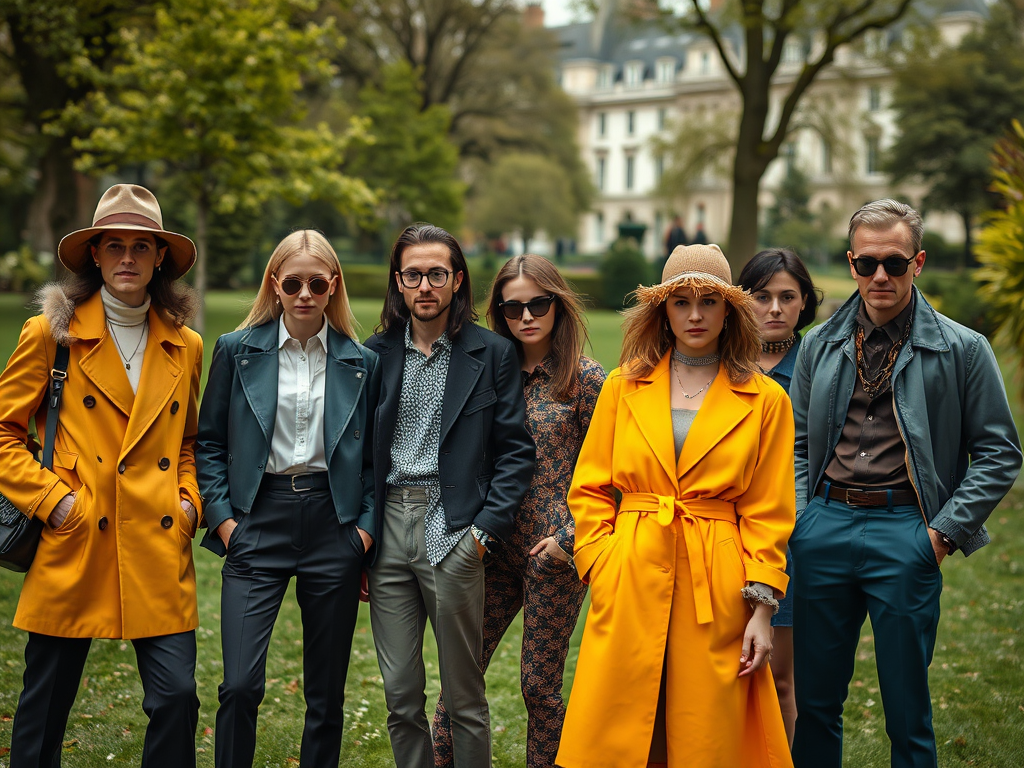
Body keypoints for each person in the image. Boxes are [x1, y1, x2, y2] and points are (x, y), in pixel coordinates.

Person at [789, 199, 1022, 768]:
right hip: (823, 527)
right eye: (866, 264)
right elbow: (794, 443)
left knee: (906, 710)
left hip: (907, 533)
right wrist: (801, 519)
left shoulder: (963, 348)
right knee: (815, 703)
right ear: (850, 263)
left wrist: (941, 534)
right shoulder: (819, 344)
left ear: (917, 263)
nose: (880, 277)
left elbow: (999, 452)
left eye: (894, 263)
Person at [557, 244, 796, 768]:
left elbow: (768, 509)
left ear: (729, 310)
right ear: (660, 310)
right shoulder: (623, 387)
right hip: (632, 569)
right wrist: (601, 560)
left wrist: (762, 608)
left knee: (704, 730)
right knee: (623, 721)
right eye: (680, 301)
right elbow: (590, 487)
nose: (694, 315)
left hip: (719, 578)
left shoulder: (766, 399)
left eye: (708, 302)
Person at [0, 184, 203, 768]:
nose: (127, 258)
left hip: (158, 542)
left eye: (141, 246)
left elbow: (186, 442)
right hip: (77, 538)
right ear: (94, 253)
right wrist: (55, 503)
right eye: (114, 245)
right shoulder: (50, 334)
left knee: (177, 699)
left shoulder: (185, 344)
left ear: (160, 256)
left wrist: (187, 501)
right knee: (45, 705)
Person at [195, 230, 379, 768]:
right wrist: (225, 520)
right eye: (292, 282)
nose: (304, 293)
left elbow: (372, 460)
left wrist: (363, 531)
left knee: (325, 695)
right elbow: (209, 442)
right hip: (258, 521)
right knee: (240, 685)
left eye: (316, 283)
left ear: (332, 287)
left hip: (333, 525)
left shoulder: (360, 361)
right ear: (275, 285)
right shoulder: (236, 350)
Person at [365, 224, 535, 768]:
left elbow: (516, 453)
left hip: (455, 529)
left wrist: (482, 533)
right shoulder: (373, 355)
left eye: (437, 274)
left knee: (465, 697)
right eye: (413, 274)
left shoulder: (490, 353)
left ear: (456, 280)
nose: (425, 286)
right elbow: (356, 454)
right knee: (400, 695)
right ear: (399, 281)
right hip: (388, 528)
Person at [432, 254, 606, 768]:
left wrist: (569, 540)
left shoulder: (588, 381)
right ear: (499, 313)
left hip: (553, 553)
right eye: (513, 308)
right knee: (459, 678)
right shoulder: (486, 373)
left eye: (539, 303)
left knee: (539, 688)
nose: (527, 316)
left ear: (558, 304)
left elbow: (613, 475)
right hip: (488, 545)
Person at [737, 247, 821, 747]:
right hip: (720, 532)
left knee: (779, 677)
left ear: (804, 303)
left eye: (787, 297)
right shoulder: (722, 365)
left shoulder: (816, 368)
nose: (773, 308)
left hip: (787, 540)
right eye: (761, 296)